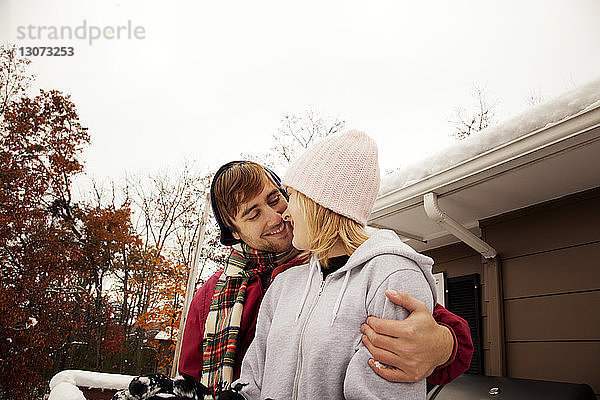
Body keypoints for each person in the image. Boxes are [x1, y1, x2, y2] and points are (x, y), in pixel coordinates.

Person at [114, 152, 472, 399]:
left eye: (275, 199)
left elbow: (433, 332)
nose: (274, 217)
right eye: (252, 213)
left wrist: (442, 345)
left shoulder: (336, 264)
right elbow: (192, 380)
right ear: (233, 230)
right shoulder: (211, 298)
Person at [232, 130, 438, 399]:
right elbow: (253, 380)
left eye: (291, 196)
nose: (285, 211)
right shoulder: (285, 284)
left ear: (319, 203)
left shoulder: (392, 277)